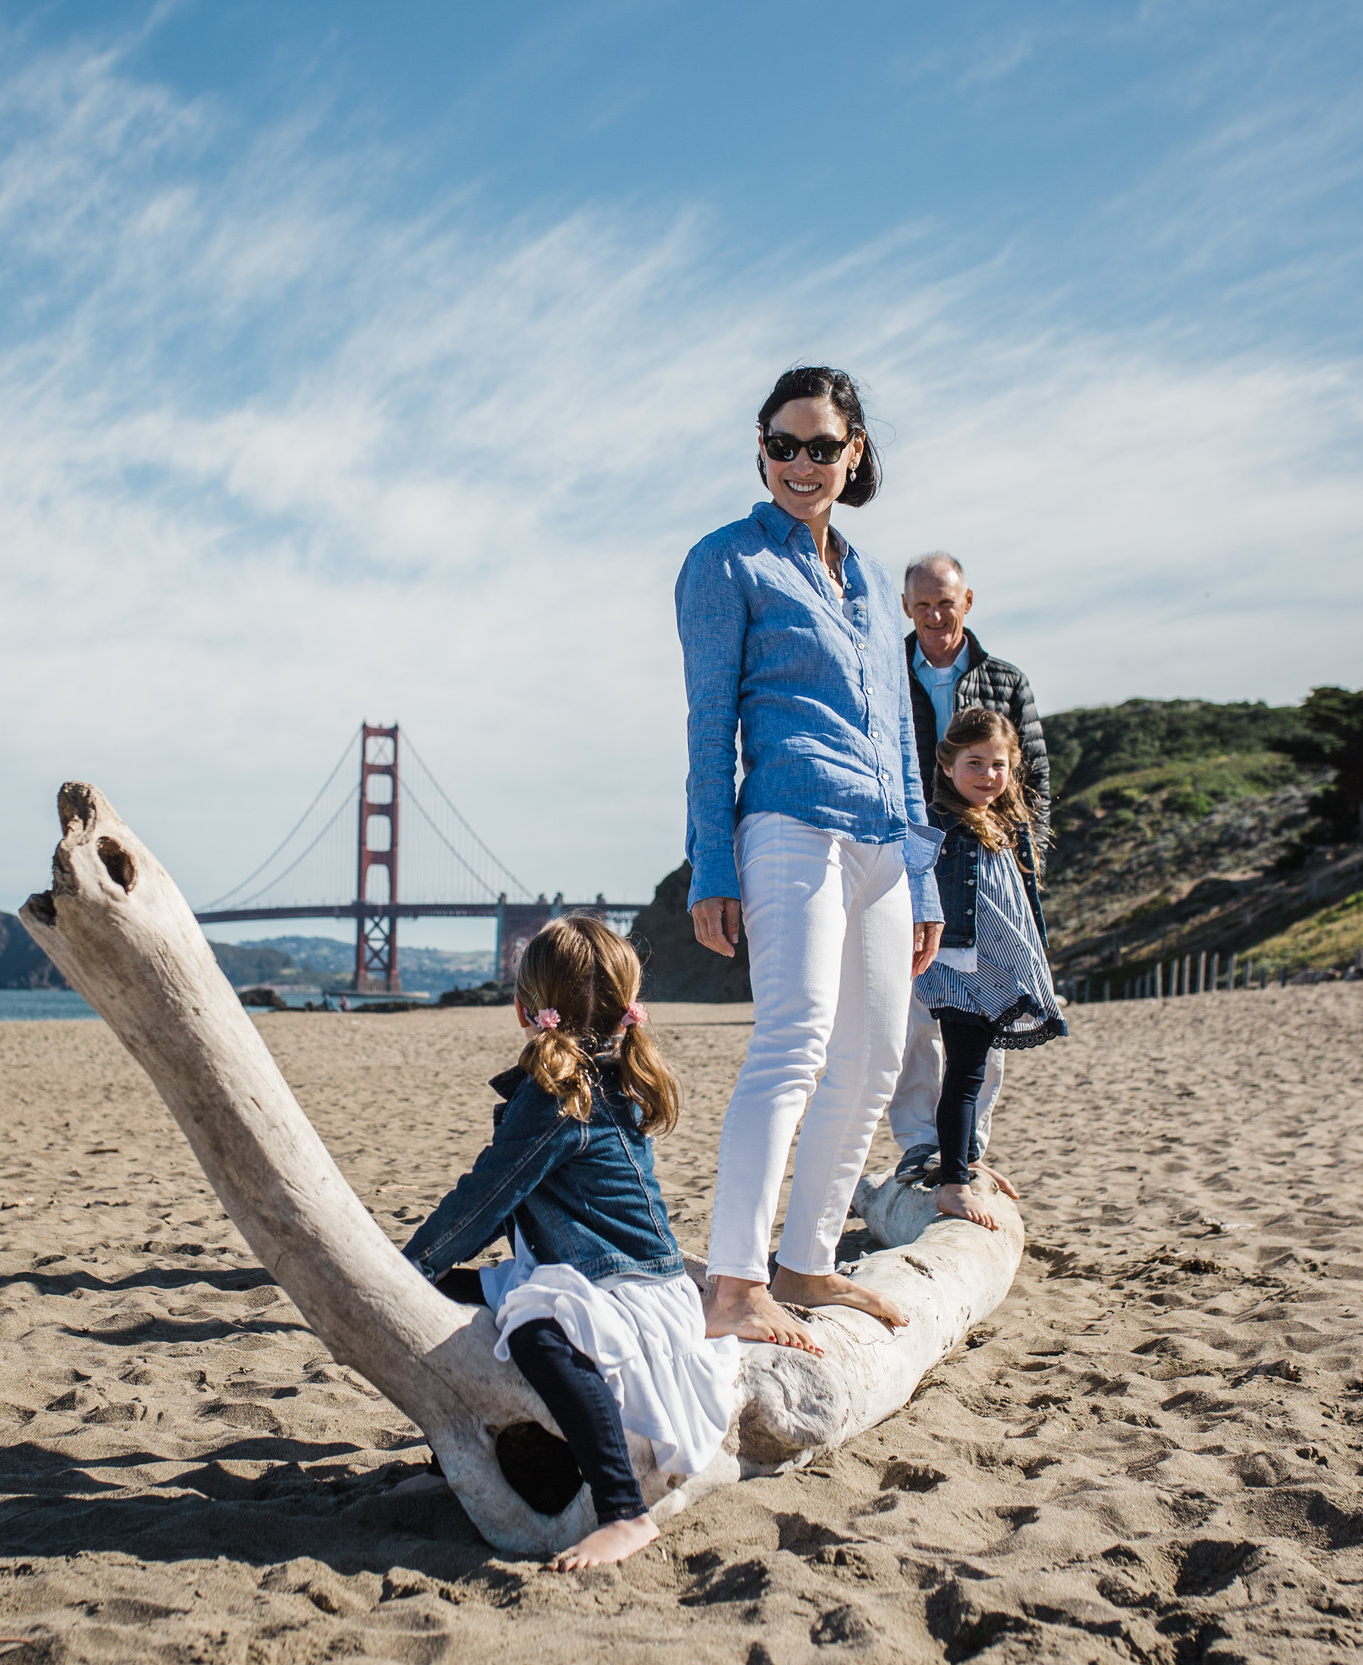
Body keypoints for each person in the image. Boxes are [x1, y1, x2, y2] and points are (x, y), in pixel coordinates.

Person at [678, 365, 945, 1354]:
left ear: (853, 453)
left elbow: (903, 744)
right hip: (789, 824)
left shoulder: (877, 583)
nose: (800, 463)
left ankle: (806, 1262)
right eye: (782, 445)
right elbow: (710, 728)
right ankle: (736, 1282)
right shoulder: (725, 563)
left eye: (820, 446)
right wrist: (712, 864)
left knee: (873, 1057)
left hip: (881, 841)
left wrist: (917, 874)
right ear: (761, 451)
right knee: (793, 1042)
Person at [402, 916, 742, 1571]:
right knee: (443, 1295)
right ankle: (453, 1456)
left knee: (534, 1327)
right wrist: (423, 1272)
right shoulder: (600, 1073)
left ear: (524, 1007)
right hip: (582, 1265)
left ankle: (624, 1511)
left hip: (622, 1285)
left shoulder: (559, 1094)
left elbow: (485, 1195)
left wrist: (407, 1264)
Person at [886, 553, 1050, 1182]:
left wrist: (1010, 852)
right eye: (922, 604)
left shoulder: (1005, 680)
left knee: (990, 999)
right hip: (907, 857)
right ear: (906, 606)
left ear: (968, 601)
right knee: (914, 1011)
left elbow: (1031, 775)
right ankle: (918, 1144)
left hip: (986, 858)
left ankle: (969, 1145)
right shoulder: (885, 672)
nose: (934, 615)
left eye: (945, 603)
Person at [911, 708, 1065, 1229]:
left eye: (998, 765)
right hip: (958, 968)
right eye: (974, 763)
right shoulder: (939, 823)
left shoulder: (1006, 823)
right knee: (963, 1073)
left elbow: (1020, 905)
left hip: (990, 966)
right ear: (947, 764)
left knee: (971, 1074)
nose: (987, 775)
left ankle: (964, 1161)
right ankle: (953, 1182)